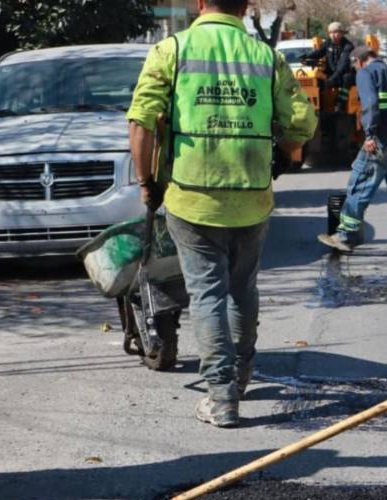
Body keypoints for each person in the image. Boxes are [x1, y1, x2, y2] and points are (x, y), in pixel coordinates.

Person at [126, 0, 317, 428]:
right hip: (251, 198)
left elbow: (140, 122)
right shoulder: (266, 57)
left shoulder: (171, 50)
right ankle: (242, 376)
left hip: (192, 198)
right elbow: (302, 123)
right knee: (242, 287)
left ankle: (222, 397)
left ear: (198, 3)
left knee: (207, 293)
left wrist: (147, 183)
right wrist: (283, 151)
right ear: (246, 5)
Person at [317, 45, 387, 256]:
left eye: (354, 66)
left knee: (361, 183)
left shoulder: (366, 73)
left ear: (359, 60)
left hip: (382, 137)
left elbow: (370, 105)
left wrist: (370, 135)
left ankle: (345, 236)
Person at [302, 22, 355, 102]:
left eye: (335, 32)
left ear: (341, 33)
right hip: (330, 72)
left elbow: (342, 66)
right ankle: (320, 104)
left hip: (343, 74)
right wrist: (307, 55)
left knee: (347, 78)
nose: (332, 35)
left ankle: (341, 103)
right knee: (317, 77)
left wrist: (332, 79)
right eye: (330, 33)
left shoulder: (348, 46)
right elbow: (319, 52)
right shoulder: (328, 43)